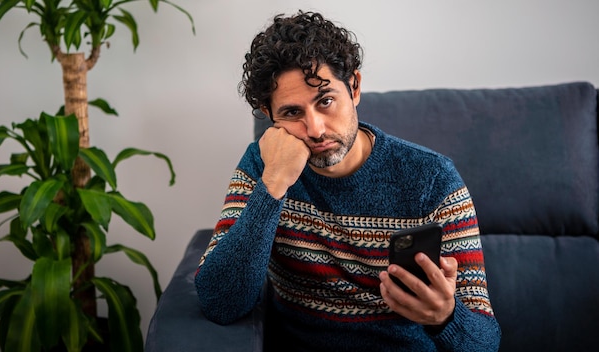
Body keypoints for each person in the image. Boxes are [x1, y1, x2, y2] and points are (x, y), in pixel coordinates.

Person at [194, 10, 501, 352]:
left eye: (325, 101)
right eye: (292, 113)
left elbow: (485, 344)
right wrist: (274, 184)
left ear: (354, 87)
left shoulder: (433, 180)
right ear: (269, 116)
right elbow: (221, 303)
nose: (316, 129)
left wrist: (445, 316)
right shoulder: (263, 165)